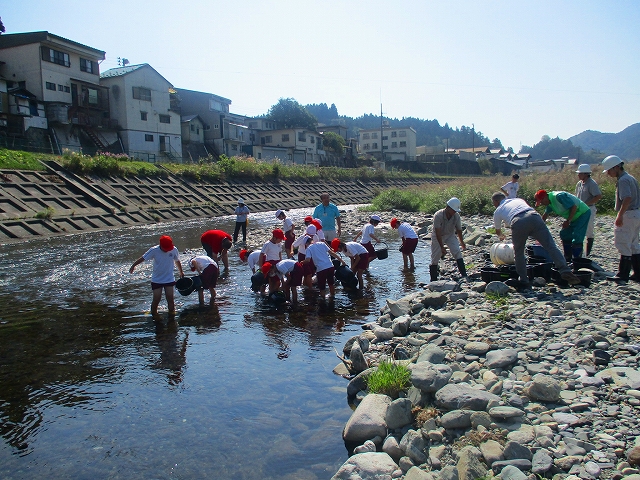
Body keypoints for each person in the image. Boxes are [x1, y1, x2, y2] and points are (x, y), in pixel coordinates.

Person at [491, 191, 581, 288]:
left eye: (493, 203)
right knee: (551, 246)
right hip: (534, 216)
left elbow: (498, 231)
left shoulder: (498, 210)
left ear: (496, 201)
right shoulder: (518, 199)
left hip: (518, 222)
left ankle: (524, 280)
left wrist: (501, 236)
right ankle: (565, 270)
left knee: (519, 252)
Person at [601, 155, 640, 282]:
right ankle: (637, 273)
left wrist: (620, 215)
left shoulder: (623, 180)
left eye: (609, 170)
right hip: (636, 213)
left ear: (616, 167)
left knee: (622, 242)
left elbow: (627, 198)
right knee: (634, 244)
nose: (608, 173)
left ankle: (622, 274)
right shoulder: (631, 178)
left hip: (628, 213)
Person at [129, 235, 185, 316]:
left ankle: (172, 317)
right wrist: (133, 265)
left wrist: (181, 272)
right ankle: (154, 315)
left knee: (170, 299)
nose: (167, 250)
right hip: (157, 280)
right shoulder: (154, 250)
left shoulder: (174, 249)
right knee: (156, 299)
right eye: (166, 248)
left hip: (169, 278)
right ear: (161, 245)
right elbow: (143, 258)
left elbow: (177, 261)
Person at [534, 189, 591, 262]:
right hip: (573, 217)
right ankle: (567, 257)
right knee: (564, 234)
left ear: (545, 197)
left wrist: (568, 221)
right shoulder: (549, 202)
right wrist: (538, 229)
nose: (541, 203)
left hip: (582, 213)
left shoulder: (559, 196)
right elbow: (545, 215)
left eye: (541, 201)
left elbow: (574, 207)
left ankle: (577, 260)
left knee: (577, 235)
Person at [430, 198, 467, 281]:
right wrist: (442, 247)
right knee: (435, 256)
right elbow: (438, 232)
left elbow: (459, 230)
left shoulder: (456, 216)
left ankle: (464, 275)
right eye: (454, 210)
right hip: (437, 236)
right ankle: (433, 279)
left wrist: (462, 242)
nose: (455, 212)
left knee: (457, 251)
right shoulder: (438, 215)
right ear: (448, 208)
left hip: (450, 235)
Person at [575, 164, 602, 256]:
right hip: (580, 210)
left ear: (586, 174)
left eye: (580, 173)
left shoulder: (591, 183)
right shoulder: (579, 184)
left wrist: (586, 204)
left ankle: (588, 251)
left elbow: (598, 196)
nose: (578, 175)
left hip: (589, 209)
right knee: (579, 229)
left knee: (589, 230)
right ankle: (581, 250)